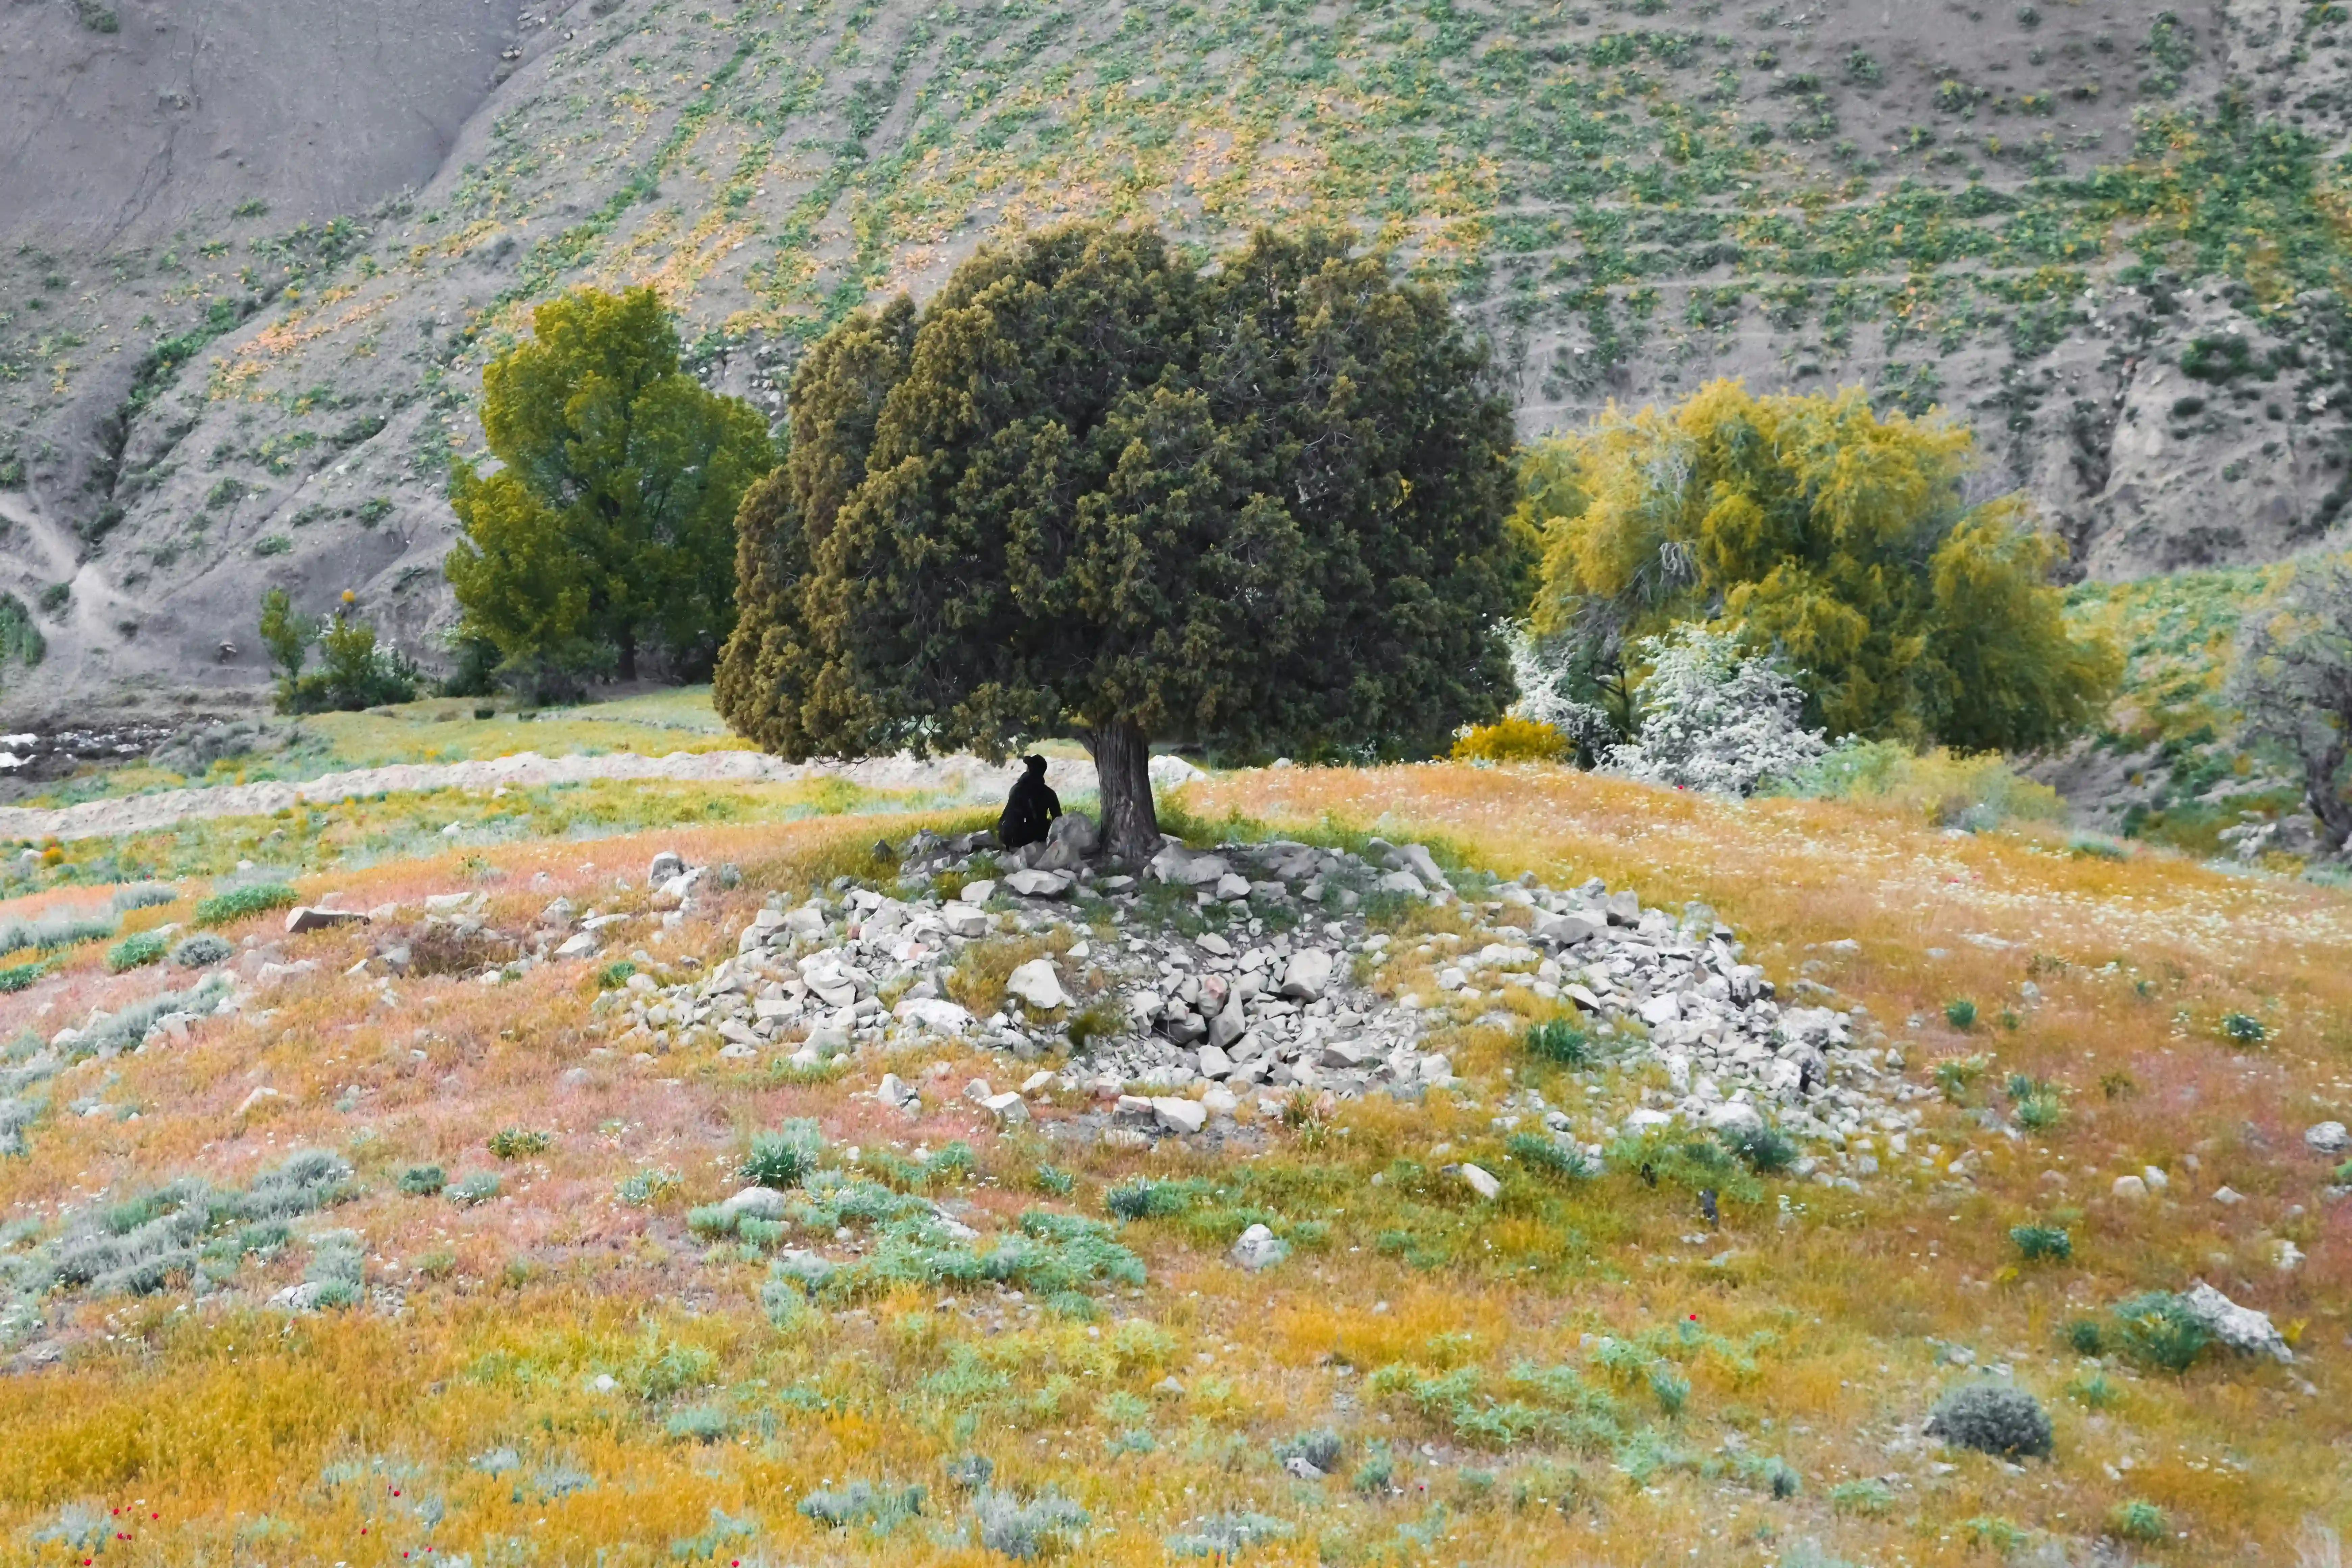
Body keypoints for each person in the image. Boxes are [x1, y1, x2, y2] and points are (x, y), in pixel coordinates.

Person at [997, 754, 1061, 850]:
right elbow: (1059, 821)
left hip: (1006, 837)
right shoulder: (1049, 793)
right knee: (1048, 825)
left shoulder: (1016, 789)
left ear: (1029, 770)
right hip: (1027, 838)